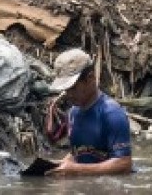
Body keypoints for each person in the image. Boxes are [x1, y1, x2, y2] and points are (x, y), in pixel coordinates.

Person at [46, 48, 133, 176]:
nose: (68, 94)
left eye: (73, 88)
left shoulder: (112, 114)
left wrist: (76, 169)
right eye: (65, 89)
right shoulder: (73, 113)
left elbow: (124, 164)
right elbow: (80, 152)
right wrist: (62, 164)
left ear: (90, 78)